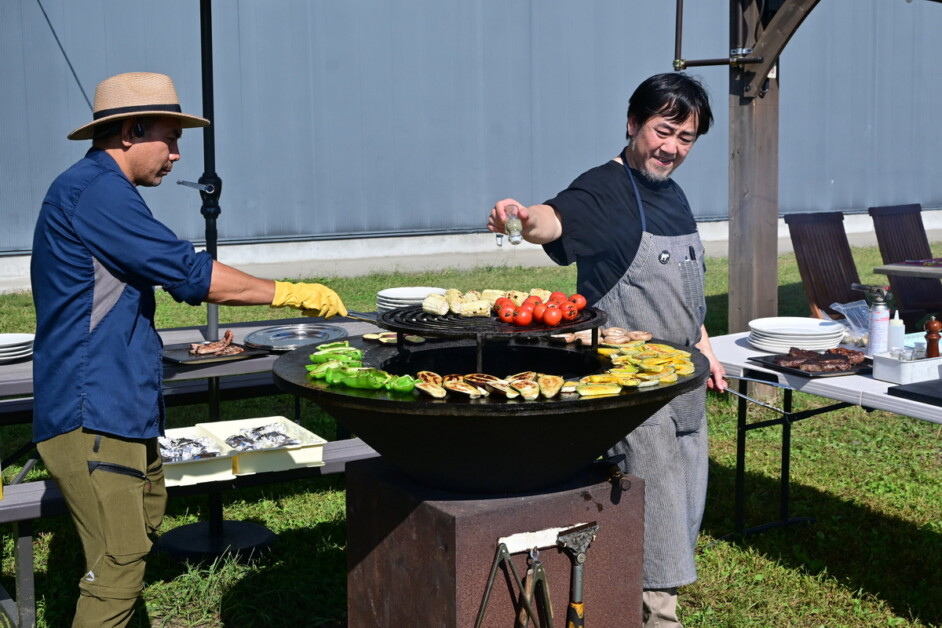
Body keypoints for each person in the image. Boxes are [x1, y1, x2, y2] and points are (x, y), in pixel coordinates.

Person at [30, 71, 347, 628]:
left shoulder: (97, 189)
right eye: (170, 138)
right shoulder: (97, 192)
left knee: (138, 530)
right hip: (90, 409)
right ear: (130, 130)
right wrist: (288, 294)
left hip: (118, 404)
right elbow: (186, 273)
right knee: (119, 564)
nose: (177, 155)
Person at [487, 72, 727, 627]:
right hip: (633, 401)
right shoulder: (605, 188)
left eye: (686, 138)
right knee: (649, 538)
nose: (672, 148)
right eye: (663, 131)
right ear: (632, 123)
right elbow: (554, 219)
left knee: (679, 524)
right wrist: (523, 220)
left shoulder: (672, 193)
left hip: (685, 388)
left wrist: (705, 345)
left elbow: (687, 292)